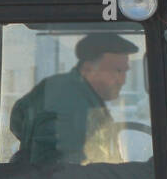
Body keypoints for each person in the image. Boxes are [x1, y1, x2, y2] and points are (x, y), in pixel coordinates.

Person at [9, 32, 139, 165]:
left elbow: (18, 119)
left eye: (125, 71)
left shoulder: (79, 95)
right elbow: (62, 173)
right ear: (88, 69)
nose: (122, 80)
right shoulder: (68, 101)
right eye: (117, 71)